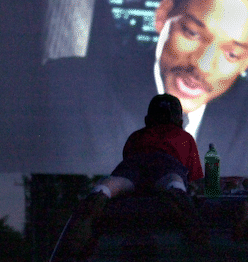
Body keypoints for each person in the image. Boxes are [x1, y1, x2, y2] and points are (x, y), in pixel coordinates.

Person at [43, 0, 248, 178]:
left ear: (247, 60)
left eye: (231, 54)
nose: (203, 66)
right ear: (162, 15)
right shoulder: (70, 87)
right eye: (192, 33)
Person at [65, 94, 205, 252]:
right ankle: (179, 201)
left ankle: (99, 195)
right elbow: (195, 180)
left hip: (134, 164)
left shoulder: (135, 137)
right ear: (180, 122)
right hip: (166, 165)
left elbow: (128, 170)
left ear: (147, 120)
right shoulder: (185, 138)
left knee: (110, 184)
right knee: (174, 182)